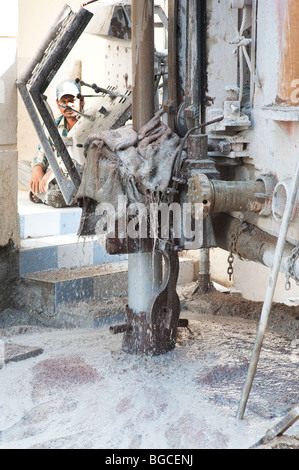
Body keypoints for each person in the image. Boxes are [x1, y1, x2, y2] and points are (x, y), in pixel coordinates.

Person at [18, 79, 85, 208]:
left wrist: (55, 171)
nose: (67, 106)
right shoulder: (53, 124)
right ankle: (50, 195)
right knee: (17, 166)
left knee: (74, 183)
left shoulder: (88, 124)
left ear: (81, 101)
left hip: (77, 179)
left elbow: (83, 164)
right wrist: (37, 168)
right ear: (57, 103)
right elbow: (42, 151)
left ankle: (44, 195)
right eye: (63, 102)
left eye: (72, 101)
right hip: (55, 181)